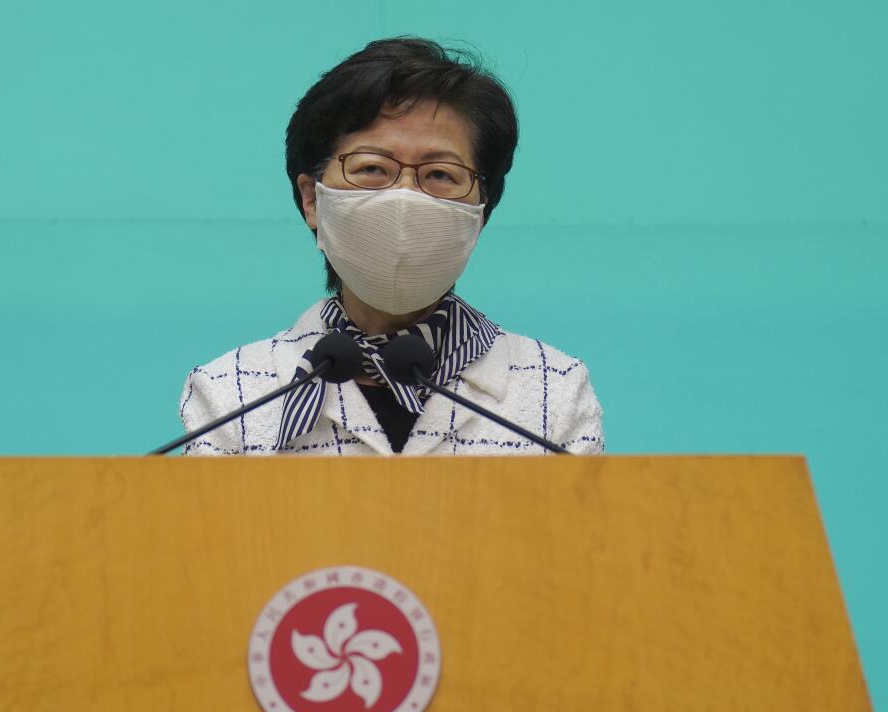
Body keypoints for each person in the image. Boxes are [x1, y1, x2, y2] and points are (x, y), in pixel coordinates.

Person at [177, 37, 604, 456]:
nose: (404, 198)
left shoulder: (554, 386)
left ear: (480, 209)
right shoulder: (231, 392)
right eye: (372, 168)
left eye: (439, 174)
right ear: (312, 199)